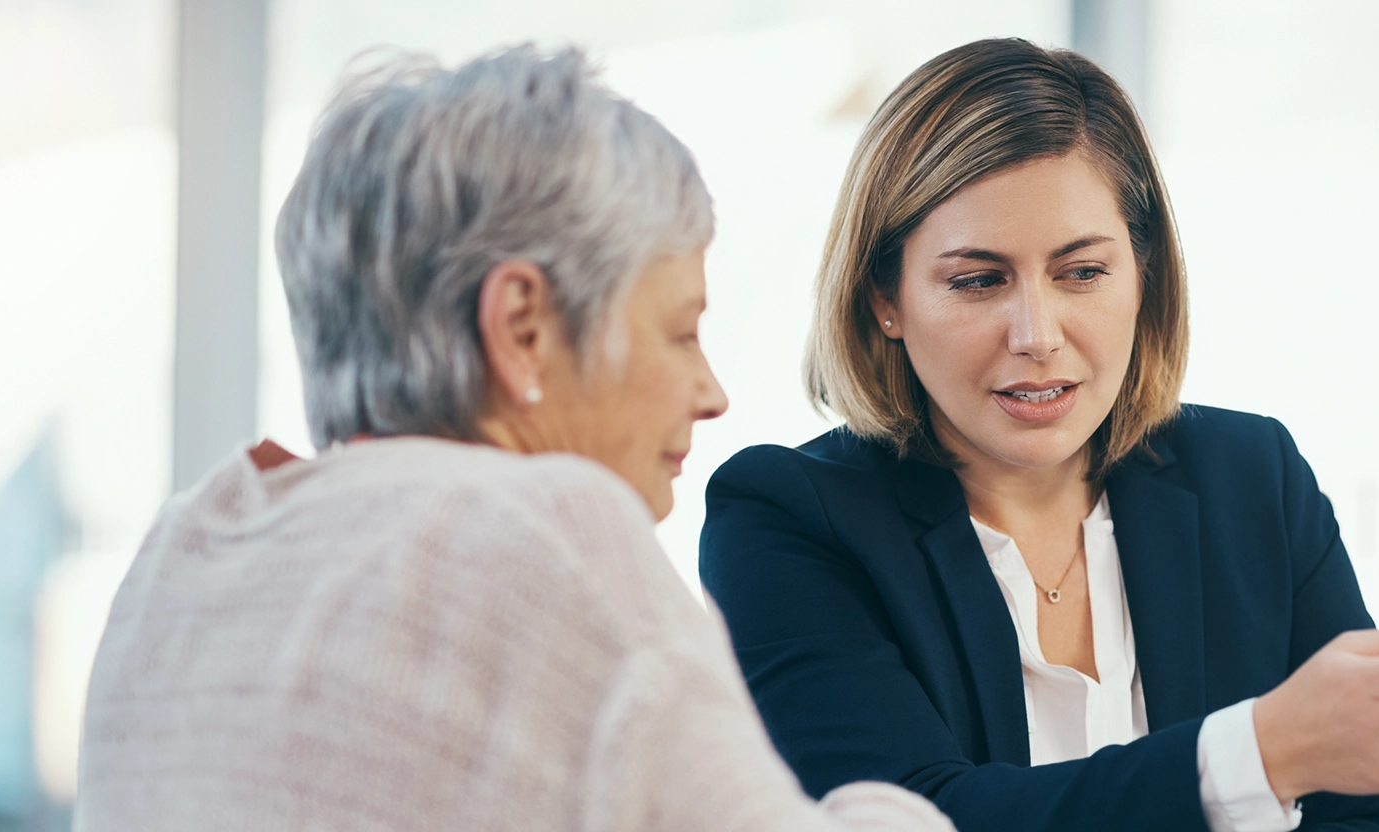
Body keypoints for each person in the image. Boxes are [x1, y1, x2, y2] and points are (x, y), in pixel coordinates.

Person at [74, 45, 953, 832]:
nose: (712, 393)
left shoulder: (184, 549)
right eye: (682, 331)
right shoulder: (546, 531)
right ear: (523, 327)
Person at [698, 38, 1379, 832]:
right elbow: (920, 818)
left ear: (1143, 276)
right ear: (886, 298)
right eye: (979, 280)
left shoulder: (1251, 479)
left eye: (1082, 272)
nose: (1038, 334)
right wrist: (1261, 755)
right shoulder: (786, 519)